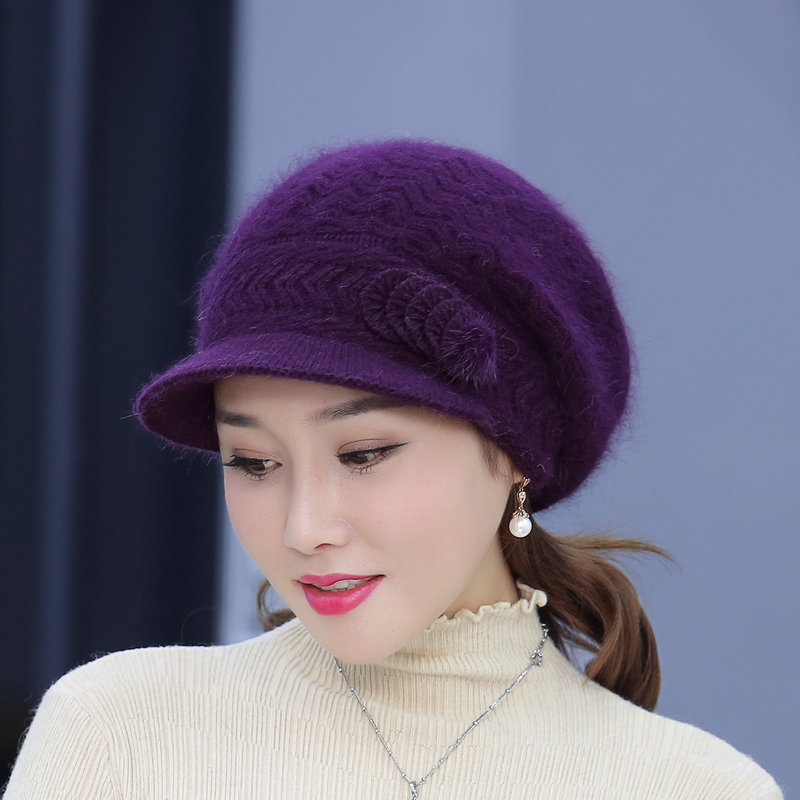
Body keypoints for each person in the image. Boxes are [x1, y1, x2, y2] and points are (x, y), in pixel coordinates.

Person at [3, 140, 781, 799]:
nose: (304, 528)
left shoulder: (695, 788)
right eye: (254, 462)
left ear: (515, 448)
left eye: (364, 455)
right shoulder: (123, 735)